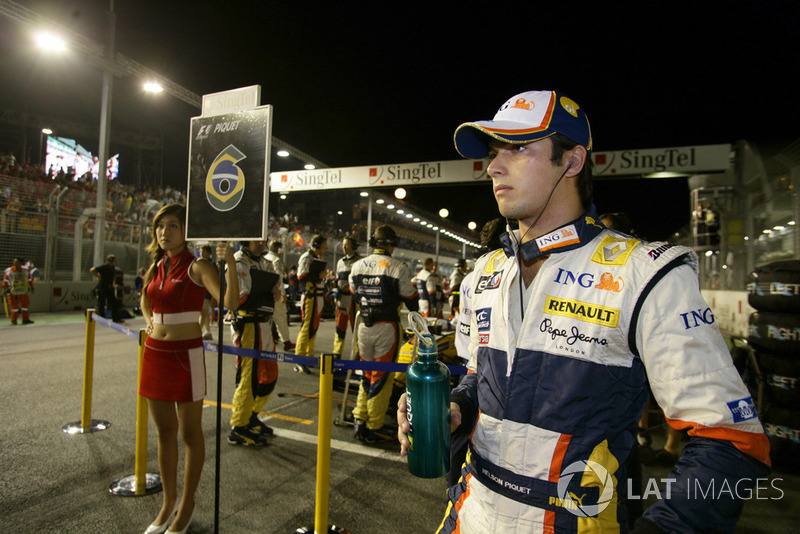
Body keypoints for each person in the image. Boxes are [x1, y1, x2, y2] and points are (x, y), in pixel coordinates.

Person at [397, 90, 770, 533]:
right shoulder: (484, 272)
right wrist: (453, 407)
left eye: (517, 149)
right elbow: (482, 379)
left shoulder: (645, 273)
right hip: (469, 513)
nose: (494, 166)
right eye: (494, 153)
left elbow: (733, 441)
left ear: (572, 162)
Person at [139, 203, 239, 534]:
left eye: (172, 226)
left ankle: (187, 505)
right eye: (160, 226)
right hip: (154, 353)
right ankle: (168, 503)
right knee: (164, 431)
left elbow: (230, 301)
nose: (164, 232)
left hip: (186, 356)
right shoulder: (156, 265)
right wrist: (148, 319)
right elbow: (144, 298)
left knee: (189, 433)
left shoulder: (197, 266)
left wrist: (230, 263)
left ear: (185, 231)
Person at [350, 225, 419, 443]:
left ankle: (360, 418)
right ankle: (373, 425)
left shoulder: (357, 265)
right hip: (386, 328)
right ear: (390, 245)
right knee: (381, 378)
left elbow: (353, 292)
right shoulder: (397, 267)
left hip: (363, 327)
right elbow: (410, 298)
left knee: (366, 375)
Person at [228, 240, 283, 446]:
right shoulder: (238, 261)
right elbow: (242, 297)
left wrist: (274, 291)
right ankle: (239, 426)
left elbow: (274, 288)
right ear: (246, 240)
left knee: (270, 374)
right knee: (248, 378)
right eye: (256, 240)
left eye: (263, 240)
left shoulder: (264, 262)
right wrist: (270, 292)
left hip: (264, 323)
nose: (261, 243)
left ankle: (251, 414)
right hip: (247, 324)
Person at [294, 234, 328, 374]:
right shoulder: (306, 257)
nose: (325, 249)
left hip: (318, 296)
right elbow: (301, 276)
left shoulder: (317, 258)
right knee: (307, 327)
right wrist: (317, 276)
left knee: (313, 328)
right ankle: (299, 360)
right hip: (310, 296)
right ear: (317, 245)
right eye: (324, 246)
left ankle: (308, 356)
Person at [333, 236, 361, 358]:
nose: (344, 247)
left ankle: (358, 353)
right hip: (341, 299)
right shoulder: (340, 262)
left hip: (354, 300)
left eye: (347, 245)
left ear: (353, 246)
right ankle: (337, 352)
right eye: (343, 244)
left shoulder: (360, 261)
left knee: (356, 328)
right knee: (340, 327)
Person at [265, 239, 295, 351]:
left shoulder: (264, 258)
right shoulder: (276, 260)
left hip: (265, 294)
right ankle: (286, 341)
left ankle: (268, 340)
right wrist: (283, 294)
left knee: (266, 320)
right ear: (279, 249)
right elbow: (278, 279)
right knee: (281, 318)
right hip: (276, 294)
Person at [90, 253, 122, 323]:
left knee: (113, 302)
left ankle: (116, 318)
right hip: (103, 286)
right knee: (101, 303)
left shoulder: (113, 268)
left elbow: (114, 276)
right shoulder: (103, 267)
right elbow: (92, 270)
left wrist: (114, 284)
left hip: (109, 286)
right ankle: (101, 318)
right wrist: (98, 276)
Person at [2, 257, 34, 325]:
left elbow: (29, 279)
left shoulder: (25, 271)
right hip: (13, 292)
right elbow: (5, 281)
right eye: (14, 262)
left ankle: (25, 319)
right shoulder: (9, 271)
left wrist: (32, 287)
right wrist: (3, 290)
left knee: (25, 306)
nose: (15, 263)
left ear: (21, 263)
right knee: (14, 307)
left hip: (23, 291)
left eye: (17, 262)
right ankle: (14, 320)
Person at [198, 245, 216, 340]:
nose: (201, 253)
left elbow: (215, 279)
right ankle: (207, 331)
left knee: (203, 311)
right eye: (201, 251)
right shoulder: (198, 263)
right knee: (202, 313)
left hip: (207, 293)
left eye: (204, 251)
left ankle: (198, 332)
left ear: (209, 253)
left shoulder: (211, 265)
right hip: (198, 292)